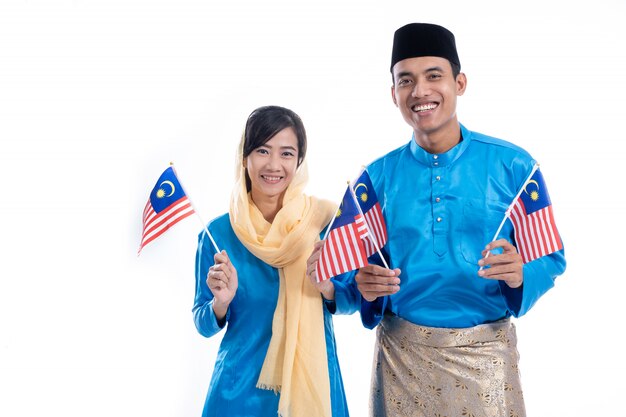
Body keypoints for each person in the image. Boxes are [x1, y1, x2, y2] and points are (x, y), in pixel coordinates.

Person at [308, 23, 566, 417]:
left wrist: (519, 275)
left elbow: (551, 257)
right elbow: (344, 287)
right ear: (393, 93)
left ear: (459, 82)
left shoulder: (515, 167)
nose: (420, 92)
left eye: (434, 76)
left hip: (487, 363)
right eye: (405, 80)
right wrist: (357, 287)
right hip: (401, 364)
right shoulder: (373, 180)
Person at [193, 105, 357, 417]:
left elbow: (353, 300)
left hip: (314, 390)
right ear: (245, 158)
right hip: (238, 393)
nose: (273, 164)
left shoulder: (324, 222)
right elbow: (201, 322)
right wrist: (220, 304)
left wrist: (328, 288)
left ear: (299, 161)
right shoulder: (217, 234)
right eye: (262, 150)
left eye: (286, 153)